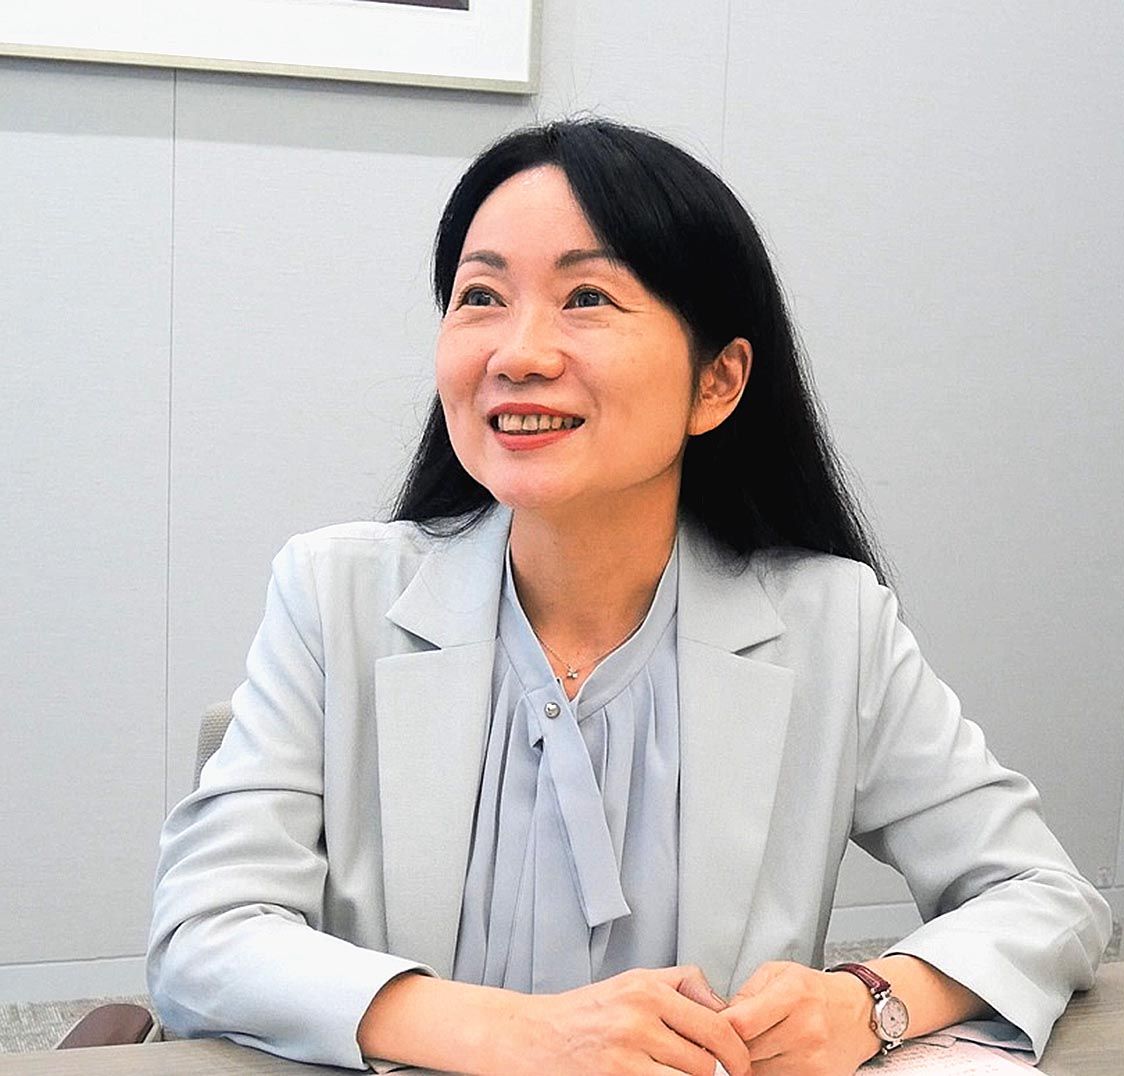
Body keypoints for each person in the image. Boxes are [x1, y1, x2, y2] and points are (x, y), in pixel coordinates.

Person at [147, 119, 1111, 1076]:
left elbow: (1042, 895)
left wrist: (871, 1001)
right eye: (481, 296)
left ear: (717, 382)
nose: (519, 353)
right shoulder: (334, 595)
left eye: (587, 298)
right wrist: (519, 1035)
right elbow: (205, 935)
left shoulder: (831, 622)